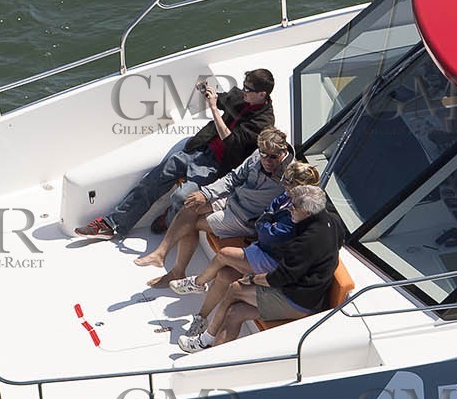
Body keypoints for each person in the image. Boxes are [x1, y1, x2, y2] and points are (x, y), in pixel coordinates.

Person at [74, 68, 276, 238]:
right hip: (199, 147)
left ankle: (169, 219)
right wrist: (208, 92)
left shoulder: (263, 123)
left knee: (181, 197)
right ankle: (113, 224)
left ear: (262, 95)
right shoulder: (242, 97)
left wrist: (214, 108)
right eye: (243, 86)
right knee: (153, 180)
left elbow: (231, 141)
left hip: (217, 164)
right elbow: (223, 100)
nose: (243, 92)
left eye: (248, 89)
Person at [178, 184, 345, 353]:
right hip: (309, 294)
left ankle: (206, 339)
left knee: (236, 288)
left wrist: (251, 279)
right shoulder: (333, 221)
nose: (290, 209)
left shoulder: (306, 242)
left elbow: (278, 278)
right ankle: (212, 358)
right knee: (235, 312)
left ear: (308, 212)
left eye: (294, 206)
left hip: (298, 300)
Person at [136, 128, 293, 286]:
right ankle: (160, 254)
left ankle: (176, 272)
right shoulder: (257, 156)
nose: (266, 160)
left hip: (244, 218)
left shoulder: (291, 175)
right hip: (233, 199)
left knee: (190, 224)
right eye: (263, 154)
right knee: (190, 206)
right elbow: (233, 178)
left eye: (273, 157)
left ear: (283, 151)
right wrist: (206, 193)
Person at [160, 160, 320, 293]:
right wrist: (265, 222)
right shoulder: (287, 196)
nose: (282, 184)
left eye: (287, 182)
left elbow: (274, 234)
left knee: (223, 254)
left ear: (298, 187)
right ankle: (202, 317)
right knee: (224, 274)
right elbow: (269, 211)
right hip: (261, 242)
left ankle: (196, 283)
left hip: (273, 257)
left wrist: (263, 223)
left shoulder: (300, 211)